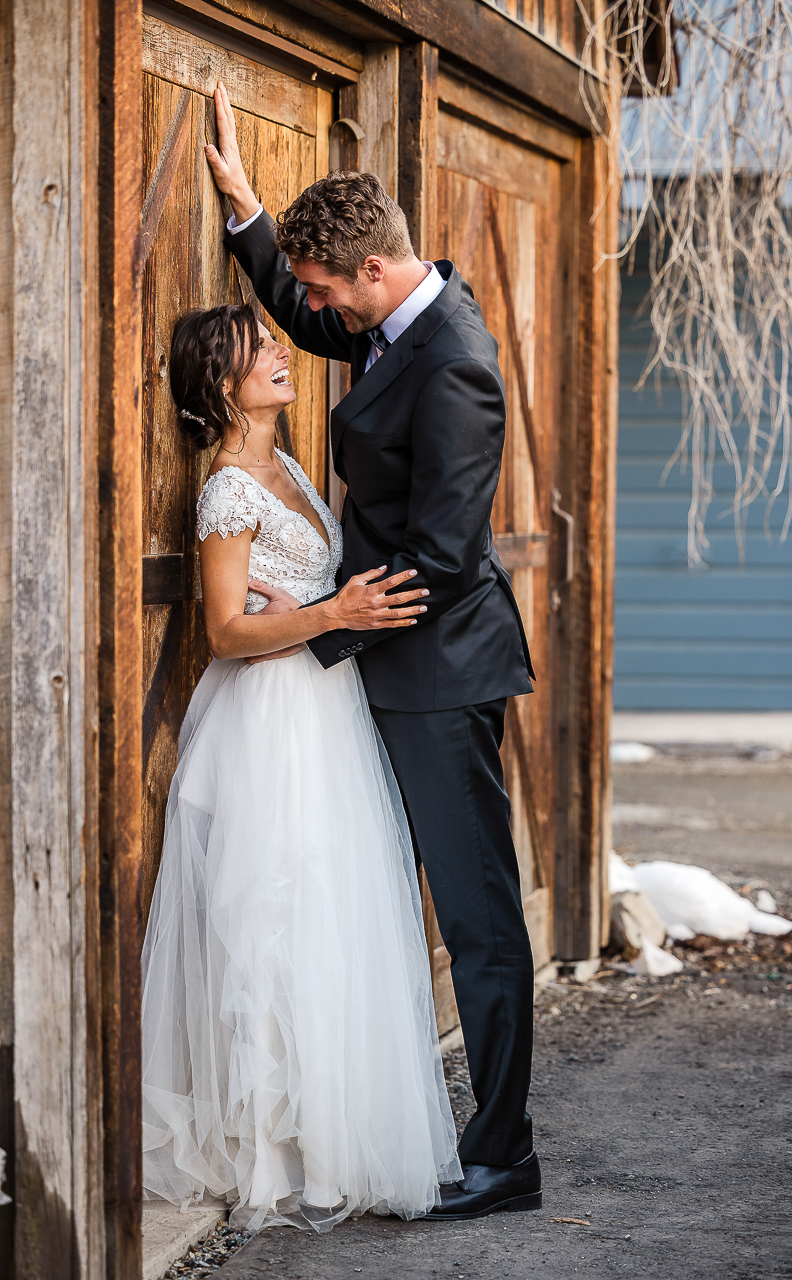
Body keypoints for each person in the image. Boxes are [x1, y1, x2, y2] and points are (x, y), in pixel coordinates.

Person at [205, 81, 541, 1220]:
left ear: (373, 275)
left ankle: (502, 1154)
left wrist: (316, 616)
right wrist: (251, 218)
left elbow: (443, 554)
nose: (314, 310)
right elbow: (308, 329)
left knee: (478, 913)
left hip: (438, 672)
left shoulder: (452, 357)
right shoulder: (398, 324)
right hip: (398, 662)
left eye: (321, 288)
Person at [141, 302, 462, 1233]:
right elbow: (227, 633)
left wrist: (330, 605)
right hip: (269, 726)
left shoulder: (289, 467)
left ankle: (328, 1132)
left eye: (278, 340)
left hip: (327, 714)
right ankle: (269, 1149)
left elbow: (318, 590)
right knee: (270, 918)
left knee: (331, 911)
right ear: (218, 381)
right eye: (259, 348)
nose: (281, 353)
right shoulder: (228, 490)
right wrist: (330, 615)